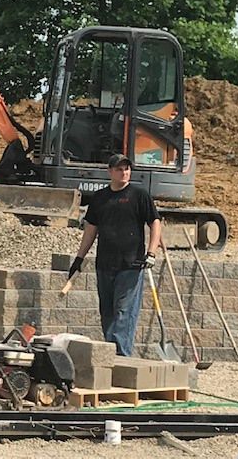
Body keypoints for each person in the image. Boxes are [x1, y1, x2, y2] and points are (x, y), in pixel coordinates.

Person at [67, 153, 161, 356]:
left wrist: (151, 252)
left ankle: (121, 358)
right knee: (107, 313)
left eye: (127, 168)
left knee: (123, 312)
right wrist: (79, 259)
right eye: (119, 169)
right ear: (109, 171)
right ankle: (110, 355)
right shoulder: (100, 198)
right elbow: (91, 229)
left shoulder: (139, 195)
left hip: (131, 264)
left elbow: (155, 222)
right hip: (105, 265)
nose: (124, 172)